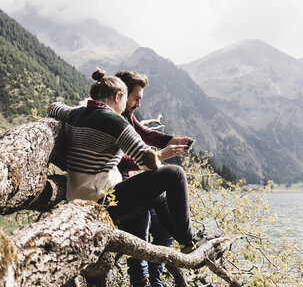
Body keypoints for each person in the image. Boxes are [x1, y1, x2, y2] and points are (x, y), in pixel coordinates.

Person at [47, 69, 202, 286]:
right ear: (119, 96)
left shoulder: (76, 113)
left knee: (157, 199)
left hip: (77, 200)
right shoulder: (116, 123)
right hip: (102, 202)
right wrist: (162, 155)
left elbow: (53, 107)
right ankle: (189, 241)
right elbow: (147, 162)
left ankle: (183, 245)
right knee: (175, 174)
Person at [116, 70, 190, 287]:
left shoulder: (127, 115)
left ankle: (155, 281)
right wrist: (156, 156)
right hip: (117, 190)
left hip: (126, 185)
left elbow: (146, 133)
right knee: (143, 221)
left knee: (163, 227)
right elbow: (118, 160)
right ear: (122, 94)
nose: (138, 104)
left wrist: (174, 140)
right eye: (136, 98)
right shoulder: (113, 119)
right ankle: (142, 281)